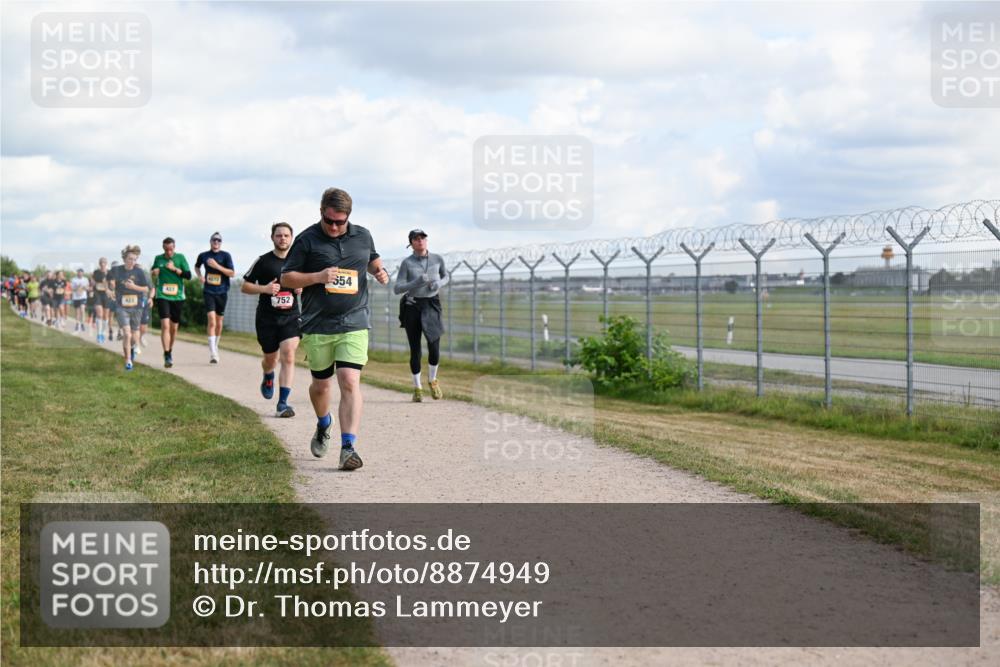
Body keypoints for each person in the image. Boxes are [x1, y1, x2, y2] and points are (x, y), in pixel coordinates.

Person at [281, 187, 389, 470]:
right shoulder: (306, 240)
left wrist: (378, 271)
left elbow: (370, 258)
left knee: (349, 380)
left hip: (354, 320)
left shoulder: (363, 235)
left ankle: (348, 447)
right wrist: (317, 276)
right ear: (321, 213)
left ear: (348, 218)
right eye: (329, 220)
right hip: (318, 324)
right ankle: (323, 422)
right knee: (321, 386)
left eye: (340, 222)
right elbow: (288, 278)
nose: (333, 226)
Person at [242, 222, 302, 418]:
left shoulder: (299, 261)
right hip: (267, 319)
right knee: (271, 359)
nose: (283, 238)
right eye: (279, 235)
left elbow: (311, 282)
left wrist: (303, 288)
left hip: (291, 317)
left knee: (289, 354)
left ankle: (283, 403)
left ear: (291, 238)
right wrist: (265, 289)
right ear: (272, 238)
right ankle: (268, 375)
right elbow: (246, 286)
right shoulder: (263, 261)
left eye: (286, 235)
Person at [394, 229, 449, 402]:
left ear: (426, 240)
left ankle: (432, 380)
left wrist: (439, 283)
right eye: (416, 239)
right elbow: (397, 288)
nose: (420, 241)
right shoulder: (407, 263)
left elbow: (446, 276)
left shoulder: (437, 259)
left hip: (432, 304)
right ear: (411, 243)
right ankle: (417, 388)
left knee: (434, 345)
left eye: (423, 238)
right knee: (415, 349)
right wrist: (415, 283)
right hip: (413, 306)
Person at [108, 245, 150, 371]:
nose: (132, 261)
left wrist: (134, 288)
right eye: (130, 259)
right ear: (125, 259)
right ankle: (128, 360)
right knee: (127, 333)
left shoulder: (139, 272)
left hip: (136, 307)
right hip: (122, 307)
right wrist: (109, 290)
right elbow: (108, 281)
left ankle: (131, 349)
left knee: (134, 334)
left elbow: (147, 289)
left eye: (135, 259)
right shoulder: (117, 270)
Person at [151, 237, 191, 368]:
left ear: (174, 248)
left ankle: (170, 349)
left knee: (174, 328)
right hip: (162, 295)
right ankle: (167, 354)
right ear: (163, 248)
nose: (168, 252)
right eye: (166, 249)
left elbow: (188, 275)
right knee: (165, 325)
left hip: (177, 296)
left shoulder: (180, 258)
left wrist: (174, 269)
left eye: (171, 249)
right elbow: (153, 273)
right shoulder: (158, 258)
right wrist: (154, 272)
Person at [195, 232, 235, 364]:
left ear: (221, 242)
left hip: (222, 292)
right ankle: (213, 353)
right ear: (210, 241)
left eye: (218, 240)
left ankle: (215, 345)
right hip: (209, 291)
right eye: (214, 240)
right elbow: (197, 266)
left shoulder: (226, 256)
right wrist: (200, 276)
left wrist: (216, 266)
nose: (216, 242)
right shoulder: (204, 255)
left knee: (219, 322)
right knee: (211, 320)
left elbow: (232, 273)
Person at [92, 258, 112, 343]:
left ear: (106, 263)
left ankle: (103, 333)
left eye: (104, 262)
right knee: (99, 314)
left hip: (106, 295)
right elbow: (92, 281)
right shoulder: (96, 272)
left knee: (105, 316)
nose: (103, 264)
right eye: (101, 263)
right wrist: (93, 283)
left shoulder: (109, 272)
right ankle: (99, 334)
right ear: (99, 263)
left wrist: (108, 283)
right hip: (98, 294)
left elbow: (113, 284)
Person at [70, 268, 89, 332]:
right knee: (77, 312)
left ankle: (82, 324)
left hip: (83, 297)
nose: (80, 273)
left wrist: (84, 287)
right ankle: (77, 324)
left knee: (82, 310)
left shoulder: (85, 279)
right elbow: (72, 288)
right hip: (76, 297)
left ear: (83, 273)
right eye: (78, 272)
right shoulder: (74, 279)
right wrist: (78, 286)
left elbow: (87, 288)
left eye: (81, 272)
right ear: (77, 273)